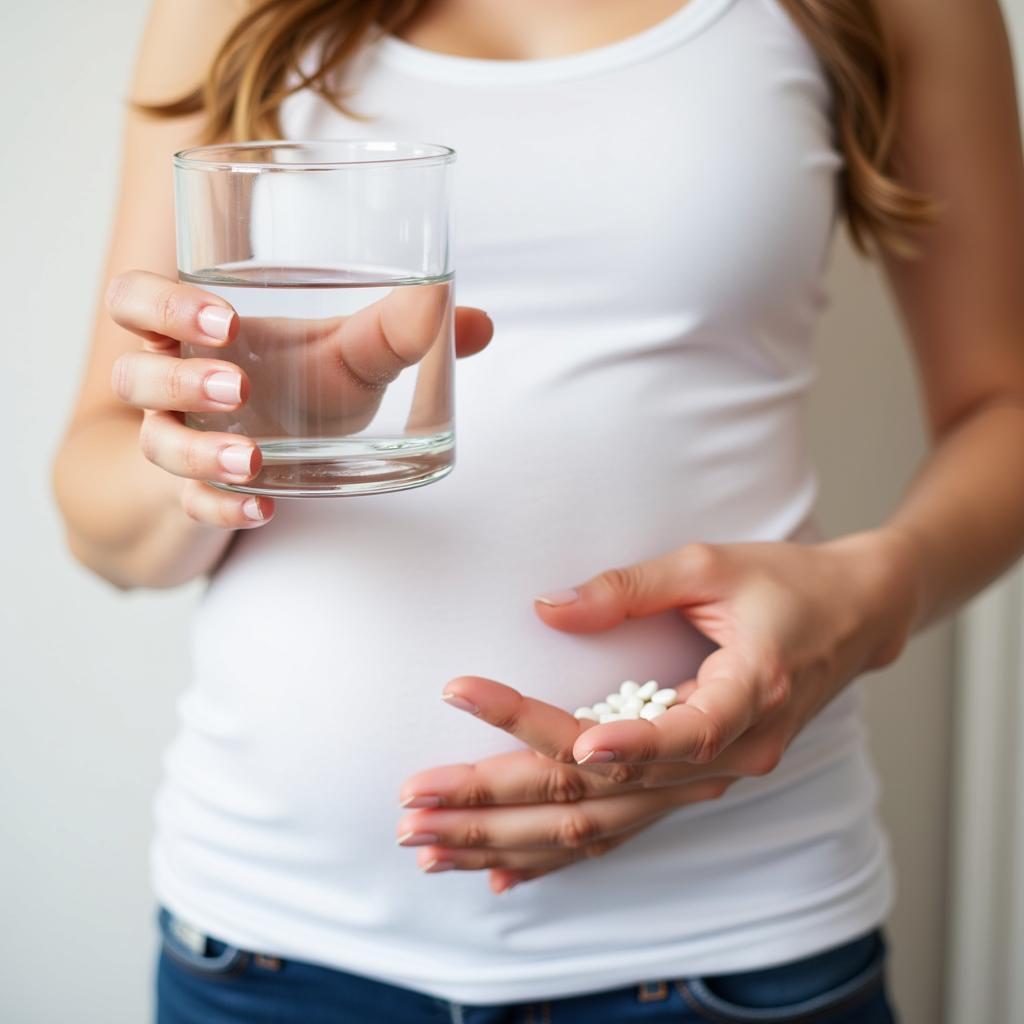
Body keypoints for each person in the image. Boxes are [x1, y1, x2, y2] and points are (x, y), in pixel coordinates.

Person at [51, 1, 1024, 1021]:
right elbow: (100, 510)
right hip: (267, 955)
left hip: (730, 939)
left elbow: (1002, 406)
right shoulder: (222, 9)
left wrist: (869, 601)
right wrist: (222, 446)